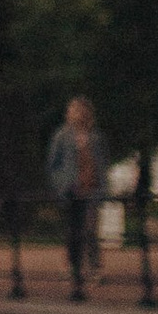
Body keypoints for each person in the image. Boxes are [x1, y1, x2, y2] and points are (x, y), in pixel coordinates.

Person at [47, 96, 107, 298]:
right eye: (72, 110)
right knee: (73, 230)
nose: (75, 113)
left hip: (91, 188)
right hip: (71, 189)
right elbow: (53, 163)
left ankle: (94, 267)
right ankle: (74, 267)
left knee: (90, 229)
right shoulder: (62, 135)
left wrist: (103, 187)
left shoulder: (95, 136)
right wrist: (61, 183)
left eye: (78, 110)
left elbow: (102, 163)